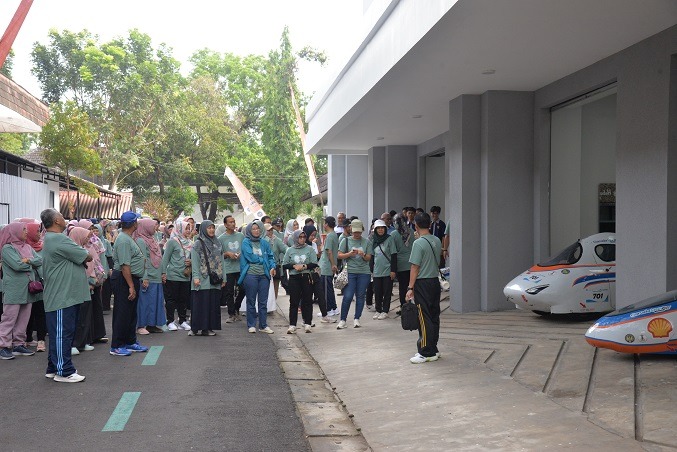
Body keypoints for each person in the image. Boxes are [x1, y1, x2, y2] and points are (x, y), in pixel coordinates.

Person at [40, 208, 89, 382]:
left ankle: (53, 367)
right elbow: (87, 256)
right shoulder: (59, 238)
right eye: (61, 216)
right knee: (62, 334)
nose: (64, 218)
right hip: (62, 295)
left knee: (59, 333)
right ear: (56, 221)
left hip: (63, 294)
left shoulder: (52, 239)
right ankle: (65, 371)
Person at [0, 222, 42, 360]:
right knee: (9, 318)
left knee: (24, 318)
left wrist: (27, 261)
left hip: (28, 288)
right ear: (15, 231)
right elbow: (17, 265)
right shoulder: (7, 248)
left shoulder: (28, 247)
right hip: (14, 288)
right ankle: (3, 346)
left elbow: (40, 260)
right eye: (23, 229)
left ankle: (18, 344)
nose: (26, 232)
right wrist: (30, 262)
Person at [110, 211, 149, 357]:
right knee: (122, 313)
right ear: (134, 223)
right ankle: (117, 345)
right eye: (136, 220)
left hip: (131, 278)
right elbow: (125, 265)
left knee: (131, 313)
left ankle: (129, 341)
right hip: (124, 279)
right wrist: (131, 286)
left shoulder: (128, 238)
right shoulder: (124, 240)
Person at [405, 212, 442, 364]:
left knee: (423, 316)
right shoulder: (437, 240)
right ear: (430, 224)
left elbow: (415, 266)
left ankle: (425, 352)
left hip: (422, 283)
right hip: (434, 282)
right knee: (433, 315)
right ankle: (433, 348)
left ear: (416, 225)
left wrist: (410, 287)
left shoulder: (418, 243)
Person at [239, 220, 276, 334]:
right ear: (249, 231)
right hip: (251, 275)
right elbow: (250, 257)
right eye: (253, 229)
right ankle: (251, 324)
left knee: (263, 301)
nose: (256, 231)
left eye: (257, 228)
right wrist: (263, 260)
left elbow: (270, 256)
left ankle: (263, 325)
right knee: (251, 300)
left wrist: (273, 266)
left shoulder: (264, 242)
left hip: (264, 275)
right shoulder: (246, 242)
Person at [190, 220, 226, 336]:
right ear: (203, 229)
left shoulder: (217, 243)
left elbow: (222, 261)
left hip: (215, 278)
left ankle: (208, 328)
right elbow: (194, 261)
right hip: (202, 278)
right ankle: (195, 328)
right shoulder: (198, 244)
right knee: (200, 304)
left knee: (212, 304)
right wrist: (195, 277)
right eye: (209, 228)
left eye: (212, 228)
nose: (211, 230)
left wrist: (224, 277)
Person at [336, 219, 372, 329]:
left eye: (359, 232)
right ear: (351, 229)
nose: (357, 234)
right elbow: (339, 255)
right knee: (348, 296)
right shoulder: (346, 241)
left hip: (364, 272)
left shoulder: (367, 242)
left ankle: (357, 318)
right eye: (355, 231)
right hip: (350, 272)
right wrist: (350, 254)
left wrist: (363, 254)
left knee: (360, 296)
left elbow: (369, 258)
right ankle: (343, 320)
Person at [135, 218, 167, 335]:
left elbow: (160, 256)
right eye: (153, 226)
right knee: (145, 302)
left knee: (155, 302)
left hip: (156, 276)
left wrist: (163, 272)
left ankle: (152, 325)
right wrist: (145, 276)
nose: (156, 228)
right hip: (148, 276)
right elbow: (142, 260)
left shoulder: (152, 239)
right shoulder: (140, 241)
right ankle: (141, 325)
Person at [282, 230, 318, 334]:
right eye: (300, 237)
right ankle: (292, 325)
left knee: (307, 300)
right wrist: (294, 266)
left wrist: (304, 266)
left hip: (306, 276)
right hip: (294, 277)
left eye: (304, 237)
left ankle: (307, 323)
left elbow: (314, 263)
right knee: (294, 301)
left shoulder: (309, 249)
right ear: (295, 238)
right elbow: (284, 264)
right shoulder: (290, 250)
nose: (302, 239)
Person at [161, 220, 193, 331]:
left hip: (185, 275)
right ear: (179, 229)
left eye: (189, 228)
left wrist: (191, 262)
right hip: (173, 275)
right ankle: (170, 321)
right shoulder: (172, 242)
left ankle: (182, 320)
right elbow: (165, 258)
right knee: (171, 299)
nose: (188, 231)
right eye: (186, 228)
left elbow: (194, 258)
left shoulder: (190, 242)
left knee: (183, 299)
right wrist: (163, 273)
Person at [24, 221, 47, 352]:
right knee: (27, 313)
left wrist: (31, 262)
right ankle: (27, 338)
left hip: (41, 285)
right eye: (37, 231)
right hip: (27, 284)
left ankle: (41, 339)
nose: (39, 234)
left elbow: (42, 263)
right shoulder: (24, 247)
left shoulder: (43, 247)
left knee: (40, 312)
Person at [218, 215, 245, 323]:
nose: (233, 224)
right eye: (230, 222)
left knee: (243, 288)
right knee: (229, 292)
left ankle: (236, 306)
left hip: (240, 267)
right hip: (228, 268)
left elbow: (245, 249)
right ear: (225, 225)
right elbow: (219, 255)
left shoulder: (240, 236)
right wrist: (227, 254)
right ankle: (231, 314)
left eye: (234, 222)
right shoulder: (221, 239)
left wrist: (240, 254)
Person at [371, 219, 397, 320]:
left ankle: (385, 310)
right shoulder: (373, 240)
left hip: (387, 270)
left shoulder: (389, 239)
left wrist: (393, 270)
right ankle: (378, 310)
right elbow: (372, 257)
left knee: (387, 291)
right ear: (375, 230)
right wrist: (371, 269)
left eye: (382, 228)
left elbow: (394, 255)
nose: (381, 230)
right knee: (377, 291)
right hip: (377, 271)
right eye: (378, 228)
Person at [391, 214, 413, 312]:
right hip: (412, 263)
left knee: (403, 287)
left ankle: (404, 307)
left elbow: (392, 251)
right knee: (411, 285)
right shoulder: (412, 232)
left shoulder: (394, 234)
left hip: (400, 264)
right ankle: (413, 305)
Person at [318, 216, 339, 316]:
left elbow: (329, 251)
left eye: (324, 223)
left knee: (326, 289)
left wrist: (333, 264)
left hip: (327, 266)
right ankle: (334, 307)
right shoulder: (333, 235)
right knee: (329, 288)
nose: (324, 225)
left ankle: (328, 309)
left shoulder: (330, 236)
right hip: (328, 266)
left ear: (326, 224)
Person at [264, 222, 287, 299]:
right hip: (264, 267)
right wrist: (269, 240)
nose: (270, 232)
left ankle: (273, 307)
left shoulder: (276, 240)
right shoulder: (261, 241)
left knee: (275, 288)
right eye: (268, 230)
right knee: (265, 289)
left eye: (271, 230)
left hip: (275, 266)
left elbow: (285, 249)